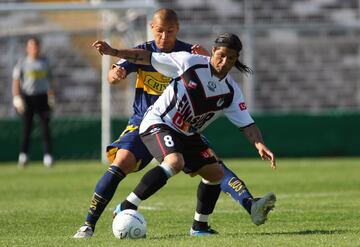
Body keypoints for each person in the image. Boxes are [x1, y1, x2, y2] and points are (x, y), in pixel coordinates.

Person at [74, 8, 269, 238]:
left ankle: (210, 222)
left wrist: (259, 144)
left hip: (185, 128)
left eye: (170, 31)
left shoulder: (191, 54)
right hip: (150, 121)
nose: (164, 37)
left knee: (215, 170)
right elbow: (121, 68)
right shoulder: (148, 51)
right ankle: (89, 224)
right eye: (160, 31)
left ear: (177, 30)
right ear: (152, 29)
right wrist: (114, 67)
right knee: (127, 161)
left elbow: (243, 117)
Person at [12, 37, 55, 168]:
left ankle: (48, 156)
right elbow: (16, 80)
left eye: (36, 46)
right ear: (27, 48)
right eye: (31, 46)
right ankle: (23, 155)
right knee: (27, 128)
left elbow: (50, 80)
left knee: (45, 128)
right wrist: (17, 97)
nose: (34, 49)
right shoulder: (22, 62)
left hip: (42, 97)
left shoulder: (45, 62)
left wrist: (51, 96)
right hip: (28, 97)